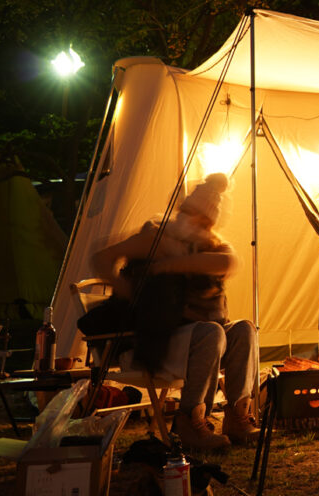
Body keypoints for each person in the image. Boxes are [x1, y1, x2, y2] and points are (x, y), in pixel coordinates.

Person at [90, 173, 260, 450]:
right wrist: (129, 292)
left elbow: (227, 262)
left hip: (202, 341)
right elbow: (100, 257)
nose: (200, 224)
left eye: (205, 220)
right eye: (196, 215)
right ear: (185, 211)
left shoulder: (211, 246)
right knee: (212, 332)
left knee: (244, 329)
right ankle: (190, 421)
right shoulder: (156, 237)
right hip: (159, 340)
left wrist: (172, 264)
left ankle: (238, 417)